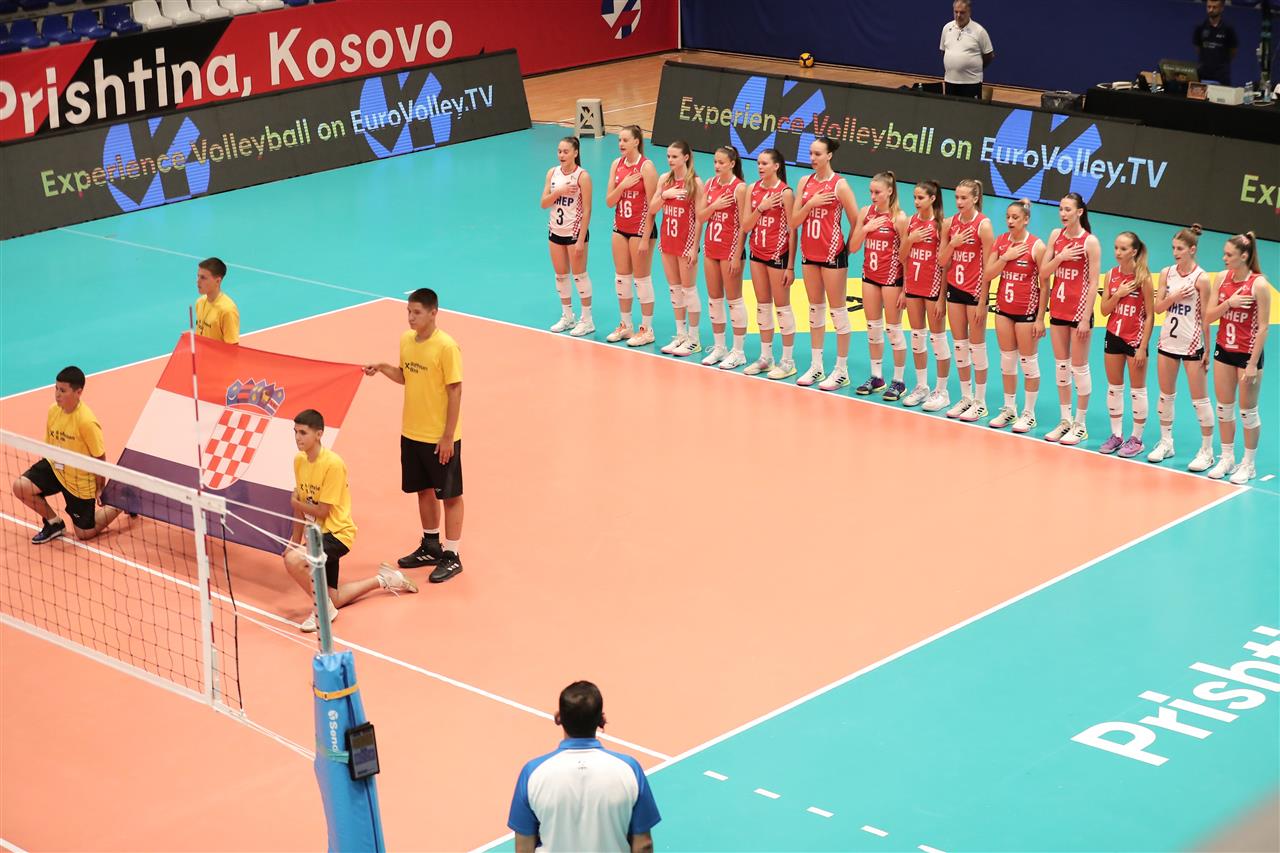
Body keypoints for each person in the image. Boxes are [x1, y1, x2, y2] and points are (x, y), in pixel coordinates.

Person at [282, 409, 417, 633]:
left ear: (319, 434)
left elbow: (322, 511)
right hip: (317, 535)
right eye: (295, 432)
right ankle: (384, 579)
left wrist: (295, 504)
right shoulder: (299, 461)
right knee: (333, 597)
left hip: (337, 535)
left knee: (294, 561)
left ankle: (322, 609)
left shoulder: (333, 464)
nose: (297, 437)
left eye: (303, 433)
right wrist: (294, 542)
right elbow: (301, 505)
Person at [363, 288, 465, 583]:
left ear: (433, 313)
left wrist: (447, 436)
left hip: (439, 436)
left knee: (450, 495)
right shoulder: (406, 340)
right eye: (408, 311)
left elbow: (455, 391)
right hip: (411, 432)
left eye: (416, 312)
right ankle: (431, 546)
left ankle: (452, 555)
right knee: (423, 490)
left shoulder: (446, 346)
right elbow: (406, 376)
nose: (410, 317)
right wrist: (383, 368)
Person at [508, 681, 660, 853]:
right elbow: (643, 845)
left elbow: (524, 849)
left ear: (558, 718)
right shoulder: (630, 770)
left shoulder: (532, 774)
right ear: (602, 720)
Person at [13, 366, 124, 544]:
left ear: (78, 392)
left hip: (79, 481)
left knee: (84, 533)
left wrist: (100, 488)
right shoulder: (53, 410)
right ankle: (54, 523)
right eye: (56, 388)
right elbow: (50, 445)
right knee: (21, 487)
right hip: (57, 469)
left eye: (63, 391)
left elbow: (99, 458)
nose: (57, 394)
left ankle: (122, 500)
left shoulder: (87, 421)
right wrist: (39, 475)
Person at [791, 136, 860, 389]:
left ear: (829, 155)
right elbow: (794, 221)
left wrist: (847, 249)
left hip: (832, 256)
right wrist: (810, 203)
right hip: (809, 254)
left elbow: (856, 220)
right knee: (815, 310)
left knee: (838, 312)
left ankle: (841, 370)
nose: (813, 158)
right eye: (811, 153)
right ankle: (816, 366)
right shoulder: (804, 182)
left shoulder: (839, 185)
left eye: (818, 154)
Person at [1204, 232, 1271, 484]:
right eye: (1224, 253)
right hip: (1224, 350)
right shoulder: (1221, 278)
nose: (1224, 258)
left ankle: (1249, 464)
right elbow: (1208, 316)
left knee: (1247, 412)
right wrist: (1228, 304)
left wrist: (1253, 363)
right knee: (1224, 408)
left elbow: (1263, 327)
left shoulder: (1258, 284)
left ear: (1244, 256)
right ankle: (1227, 457)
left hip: (1247, 355)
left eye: (1229, 254)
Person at [1148, 225, 1215, 471]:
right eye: (1173, 248)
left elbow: (1206, 316)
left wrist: (1207, 349)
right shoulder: (1167, 273)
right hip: (1168, 341)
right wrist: (1174, 297)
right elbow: (1158, 309)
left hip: (1192, 344)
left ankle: (1207, 451)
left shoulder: (1201, 278)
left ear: (1192, 250)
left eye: (1180, 249)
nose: (1175, 252)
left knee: (1200, 400)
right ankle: (1166, 443)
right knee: (1165, 396)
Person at [1040, 193, 1102, 446]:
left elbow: (1094, 282)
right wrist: (1061, 257)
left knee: (1079, 367)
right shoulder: (1056, 236)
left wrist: (1086, 318)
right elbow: (1043, 272)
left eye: (1068, 209)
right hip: (1058, 308)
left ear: (1079, 212)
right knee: (1061, 366)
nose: (1063, 214)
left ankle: (1080, 424)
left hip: (1079, 312)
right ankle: (1065, 420)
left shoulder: (1090, 242)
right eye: (1061, 209)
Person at [984, 199, 1046, 432]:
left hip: (1026, 313)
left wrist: (1040, 318)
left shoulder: (1036, 246)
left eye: (1015, 217)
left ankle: (1029, 413)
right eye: (1008, 217)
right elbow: (988, 274)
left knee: (1028, 363)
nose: (1010, 221)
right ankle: (1009, 408)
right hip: (1003, 309)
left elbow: (1045, 285)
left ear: (1026, 219)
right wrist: (1005, 257)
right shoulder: (1001, 242)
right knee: (1007, 361)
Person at [937, 178, 995, 422]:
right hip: (955, 290)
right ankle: (966, 396)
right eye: (957, 197)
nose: (959, 202)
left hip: (975, 293)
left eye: (964, 198)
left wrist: (983, 301)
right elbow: (942, 261)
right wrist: (953, 244)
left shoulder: (984, 226)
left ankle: (980, 402)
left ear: (975, 198)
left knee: (977, 347)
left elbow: (989, 268)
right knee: (960, 345)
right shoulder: (949, 223)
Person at [849, 171, 908, 398]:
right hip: (870, 277)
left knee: (893, 331)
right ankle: (876, 376)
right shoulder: (866, 212)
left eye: (877, 192)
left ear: (890, 191)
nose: (873, 196)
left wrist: (906, 289)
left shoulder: (899, 218)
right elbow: (853, 247)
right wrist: (866, 229)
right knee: (873, 328)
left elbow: (906, 255)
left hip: (892, 280)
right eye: (871, 192)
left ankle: (899, 381)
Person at [1098, 233, 1156, 457]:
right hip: (1114, 335)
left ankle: (1137, 439)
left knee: (1137, 391)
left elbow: (1150, 316)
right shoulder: (1111, 275)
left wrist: (1142, 347)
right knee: (1114, 388)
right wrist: (1118, 295)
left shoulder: (1143, 278)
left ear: (1134, 251)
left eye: (1123, 249)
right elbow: (1104, 310)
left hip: (1135, 339)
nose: (1118, 252)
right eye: (1116, 247)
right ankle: (1116, 435)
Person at [742, 148, 798, 378]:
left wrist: (791, 266)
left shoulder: (785, 193)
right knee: (762, 306)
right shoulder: (752, 189)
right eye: (758, 163)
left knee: (782, 308)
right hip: (757, 253)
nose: (760, 167)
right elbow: (746, 226)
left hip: (778, 256)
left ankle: (788, 361)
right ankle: (766, 357)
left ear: (776, 166)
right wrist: (761, 208)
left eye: (765, 163)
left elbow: (793, 230)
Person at [605, 126, 660, 347]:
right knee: (622, 278)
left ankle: (647, 329)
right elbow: (609, 201)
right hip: (620, 227)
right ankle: (626, 325)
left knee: (641, 279)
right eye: (619, 140)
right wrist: (623, 186)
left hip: (640, 229)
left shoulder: (647, 167)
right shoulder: (616, 165)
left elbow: (653, 207)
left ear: (636, 142)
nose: (621, 143)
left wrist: (645, 238)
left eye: (625, 140)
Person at [696, 145, 749, 369]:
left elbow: (744, 225)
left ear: (732, 164)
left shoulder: (740, 188)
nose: (717, 166)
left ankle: (739, 351)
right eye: (715, 162)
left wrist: (737, 254)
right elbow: (700, 216)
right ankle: (720, 347)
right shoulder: (710, 184)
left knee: (734, 300)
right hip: (711, 247)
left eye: (721, 162)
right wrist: (715, 206)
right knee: (714, 299)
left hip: (730, 250)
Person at [900, 180, 951, 410]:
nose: (916, 202)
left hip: (932, 288)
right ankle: (922, 387)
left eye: (921, 198)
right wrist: (910, 240)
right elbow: (901, 257)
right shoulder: (910, 222)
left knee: (938, 340)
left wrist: (942, 298)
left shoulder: (941, 225)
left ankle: (942, 391)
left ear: (932, 198)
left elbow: (945, 264)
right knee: (917, 338)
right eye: (914, 197)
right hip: (913, 286)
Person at [650, 141, 703, 357]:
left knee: (688, 290)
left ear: (686, 157)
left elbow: (699, 218)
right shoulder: (665, 179)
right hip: (667, 240)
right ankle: (681, 334)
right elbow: (652, 209)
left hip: (685, 242)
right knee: (675, 289)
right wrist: (665, 195)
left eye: (674, 156)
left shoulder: (695, 183)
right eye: (668, 156)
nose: (670, 160)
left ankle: (694, 339)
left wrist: (694, 247)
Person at [540, 136, 594, 337]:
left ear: (575, 153)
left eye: (566, 151)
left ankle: (587, 320)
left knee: (579, 276)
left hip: (574, 232)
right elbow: (544, 203)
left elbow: (587, 210)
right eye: (559, 151)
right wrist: (559, 191)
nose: (561, 155)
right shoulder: (552, 173)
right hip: (555, 231)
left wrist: (580, 239)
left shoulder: (582, 177)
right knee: (561, 276)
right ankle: (568, 316)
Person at [939, 0, 994, 99]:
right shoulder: (946, 28)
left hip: (971, 83)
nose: (958, 15)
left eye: (962, 12)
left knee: (970, 109)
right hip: (950, 82)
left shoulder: (979, 31)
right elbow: (944, 51)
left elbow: (989, 56)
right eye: (956, 12)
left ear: (969, 12)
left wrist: (973, 67)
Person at [194, 257, 240, 344]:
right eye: (198, 276)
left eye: (203, 278)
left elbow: (233, 347)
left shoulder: (227, 310)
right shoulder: (199, 302)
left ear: (218, 281)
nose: (198, 281)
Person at [1194, 0, 1238, 85]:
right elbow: (1198, 48)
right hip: (1203, 74)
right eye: (1209, 7)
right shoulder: (1200, 26)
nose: (1211, 10)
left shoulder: (1228, 28)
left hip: (1222, 76)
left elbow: (1233, 51)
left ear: (1221, 8)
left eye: (1214, 7)